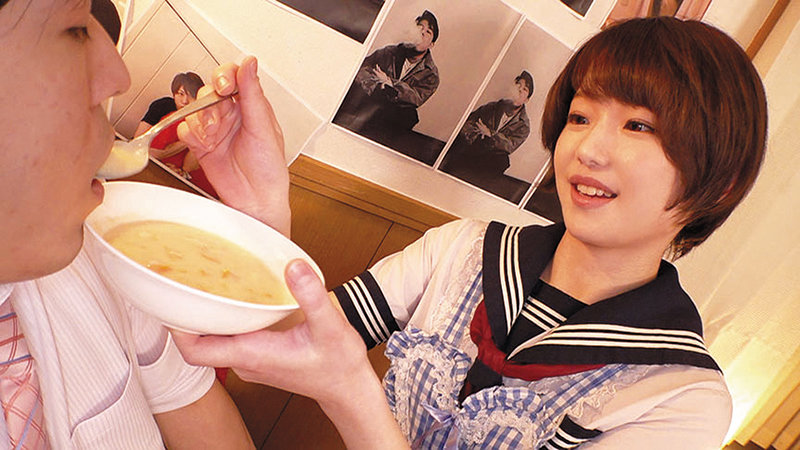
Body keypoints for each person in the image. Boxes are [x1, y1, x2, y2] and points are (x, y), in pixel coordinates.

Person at [173, 16, 767, 449]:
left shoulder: (680, 398)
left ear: (721, 181)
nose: (587, 149)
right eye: (580, 116)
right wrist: (265, 213)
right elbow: (282, 347)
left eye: (638, 126)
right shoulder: (463, 250)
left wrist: (351, 393)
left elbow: (335, 374)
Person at [0, 0, 282, 447]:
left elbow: (191, 405)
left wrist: (260, 232)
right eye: (75, 29)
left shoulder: (95, 246)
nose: (119, 75)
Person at [334, 10, 440, 145]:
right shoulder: (389, 52)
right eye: (419, 27)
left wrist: (390, 83)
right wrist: (377, 85)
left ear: (431, 44)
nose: (422, 33)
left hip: (396, 111)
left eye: (428, 32)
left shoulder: (431, 74)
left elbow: (416, 98)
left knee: (410, 115)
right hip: (373, 98)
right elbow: (362, 69)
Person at [441, 71, 534, 183]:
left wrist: (491, 134)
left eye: (524, 89)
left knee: (502, 161)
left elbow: (509, 146)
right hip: (476, 145)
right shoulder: (493, 107)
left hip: (492, 154)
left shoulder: (523, 125)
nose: (519, 90)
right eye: (518, 85)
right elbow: (468, 122)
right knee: (458, 144)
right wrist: (473, 133)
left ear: (527, 99)